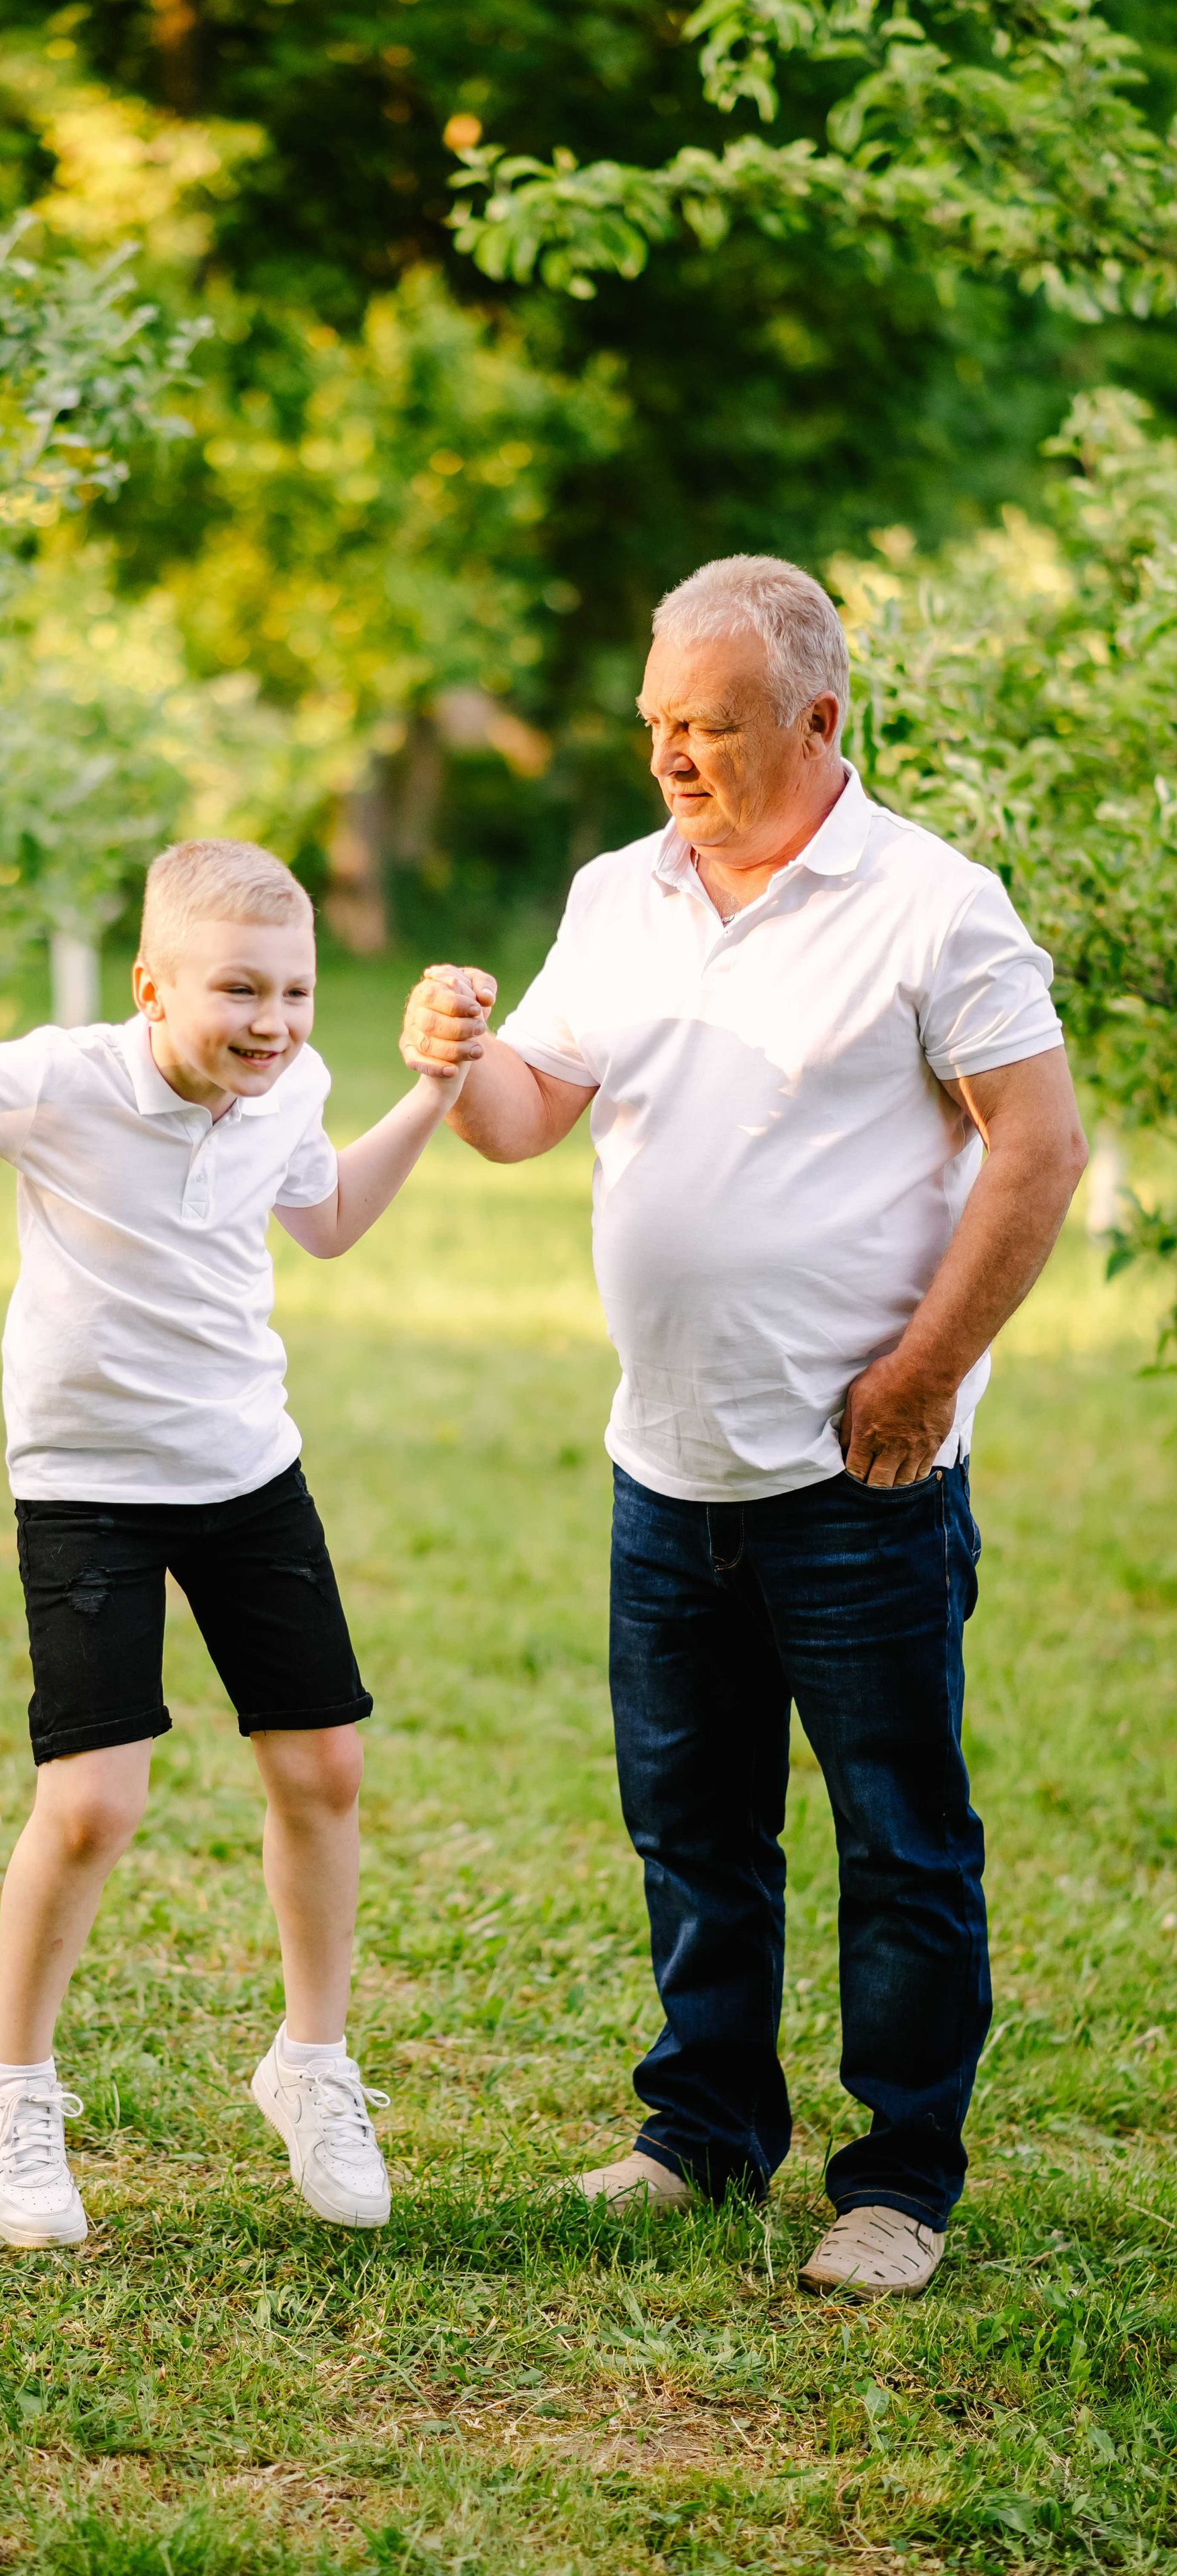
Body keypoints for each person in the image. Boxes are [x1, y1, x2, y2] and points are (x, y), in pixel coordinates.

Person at [398, 555, 1087, 2299]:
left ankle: (899, 2183)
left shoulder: (934, 906)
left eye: (709, 727)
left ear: (818, 720)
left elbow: (1040, 1149)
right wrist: (449, 1057)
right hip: (667, 1460)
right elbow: (522, 1116)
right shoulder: (618, 894)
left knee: (898, 1837)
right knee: (693, 1825)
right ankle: (703, 2135)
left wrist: (925, 1379)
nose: (672, 760)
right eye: (655, 724)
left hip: (860, 1475)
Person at [0, 839, 488, 2249]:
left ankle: (310, 2066)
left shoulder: (295, 1085)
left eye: (296, 991)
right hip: (86, 1483)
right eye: (237, 990)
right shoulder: (61, 1077)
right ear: (151, 987)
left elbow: (321, 1219)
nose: (270, 1021)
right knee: (91, 1805)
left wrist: (434, 1092)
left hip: (245, 1466)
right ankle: (12, 2090)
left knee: (323, 1767)